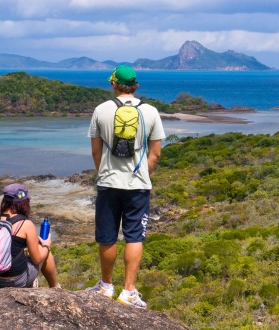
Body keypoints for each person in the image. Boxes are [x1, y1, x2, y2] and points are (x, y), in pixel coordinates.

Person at [86, 65, 165, 308]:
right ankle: (128, 291)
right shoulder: (150, 112)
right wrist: (143, 174)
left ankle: (106, 286)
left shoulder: (102, 110)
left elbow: (96, 151)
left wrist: (104, 173)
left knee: (107, 236)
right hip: (138, 185)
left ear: (113, 84)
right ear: (135, 85)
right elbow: (156, 154)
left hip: (109, 183)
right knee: (134, 237)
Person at [0, 183, 60, 289]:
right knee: (44, 251)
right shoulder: (25, 224)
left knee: (23, 258)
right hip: (15, 280)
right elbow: (37, 259)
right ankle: (55, 287)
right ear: (24, 203)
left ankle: (29, 287)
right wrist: (47, 245)